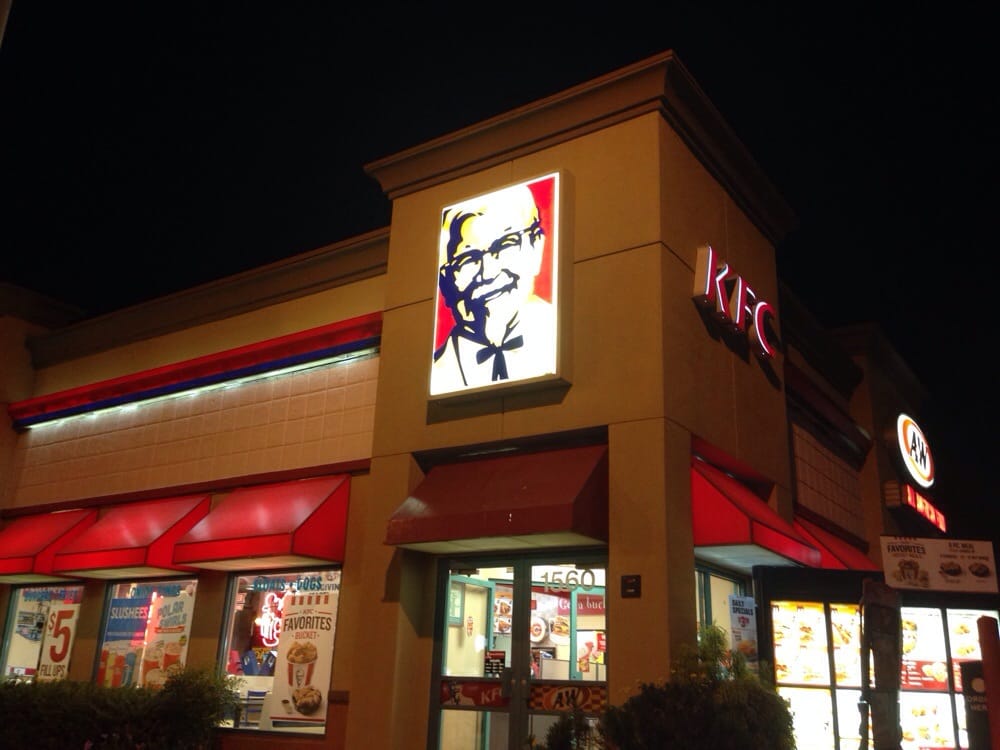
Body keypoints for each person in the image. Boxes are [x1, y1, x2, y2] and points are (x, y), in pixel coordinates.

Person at [431, 180, 556, 394]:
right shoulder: (439, 372)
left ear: (535, 247)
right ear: (445, 280)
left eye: (505, 244)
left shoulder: (564, 339)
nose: (488, 273)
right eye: (468, 259)